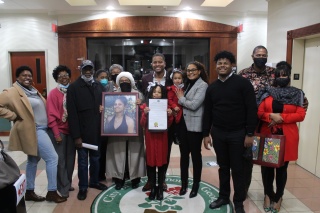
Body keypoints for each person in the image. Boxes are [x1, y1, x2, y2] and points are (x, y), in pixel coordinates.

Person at [238, 45, 309, 195]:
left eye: (264, 55)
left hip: (269, 126)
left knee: (269, 161)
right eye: (258, 54)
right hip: (249, 122)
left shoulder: (274, 73)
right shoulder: (243, 75)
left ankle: (272, 195)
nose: (261, 57)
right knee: (246, 157)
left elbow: (297, 101)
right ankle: (243, 191)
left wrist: (283, 115)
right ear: (252, 56)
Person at [0, 66, 66, 203]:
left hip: (43, 128)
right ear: (17, 77)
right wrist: (13, 116)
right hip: (35, 130)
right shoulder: (12, 92)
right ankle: (52, 192)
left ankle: (29, 191)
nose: (27, 77)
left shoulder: (32, 90)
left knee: (32, 160)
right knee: (53, 158)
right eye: (23, 75)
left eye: (29, 75)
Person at [203, 51, 257, 213]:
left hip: (238, 134)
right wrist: (206, 134)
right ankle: (223, 196)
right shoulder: (212, 87)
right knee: (223, 167)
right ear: (216, 66)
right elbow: (208, 112)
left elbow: (251, 109)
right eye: (219, 63)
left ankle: (238, 201)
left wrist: (249, 133)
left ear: (232, 65)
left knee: (238, 168)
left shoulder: (243, 84)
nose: (222, 65)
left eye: (226, 63)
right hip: (219, 133)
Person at [256, 61, 306, 213]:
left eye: (284, 75)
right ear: (274, 76)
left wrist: (281, 118)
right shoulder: (266, 92)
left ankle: (278, 197)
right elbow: (259, 112)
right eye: (279, 75)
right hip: (269, 135)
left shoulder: (298, 94)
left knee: (282, 169)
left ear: (289, 76)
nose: (282, 77)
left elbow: (301, 114)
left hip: (286, 137)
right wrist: (270, 115)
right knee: (267, 168)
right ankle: (267, 194)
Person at [67, 60, 107, 201]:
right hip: (82, 134)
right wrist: (76, 136)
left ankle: (94, 181)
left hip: (96, 132)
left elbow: (105, 106)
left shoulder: (98, 86)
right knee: (83, 162)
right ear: (81, 70)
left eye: (90, 69)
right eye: (85, 69)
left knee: (96, 159)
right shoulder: (73, 88)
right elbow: (72, 114)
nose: (88, 72)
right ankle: (83, 186)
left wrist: (103, 109)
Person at [105, 71, 146, 190]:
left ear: (131, 81)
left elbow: (144, 111)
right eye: (121, 81)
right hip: (116, 133)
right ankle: (119, 179)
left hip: (135, 130)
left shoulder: (138, 94)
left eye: (126, 80)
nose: (124, 82)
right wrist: (102, 108)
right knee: (118, 155)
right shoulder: (112, 95)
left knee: (134, 154)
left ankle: (135, 179)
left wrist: (141, 104)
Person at [175, 61, 208, 198]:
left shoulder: (203, 85)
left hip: (195, 127)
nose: (190, 72)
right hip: (183, 125)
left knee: (195, 157)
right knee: (183, 157)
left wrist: (181, 99)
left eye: (193, 70)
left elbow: (194, 105)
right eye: (188, 70)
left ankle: (195, 185)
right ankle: (184, 184)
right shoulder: (187, 84)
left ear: (199, 71)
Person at [141, 53, 173, 192]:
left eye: (160, 62)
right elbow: (144, 98)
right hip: (151, 122)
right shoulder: (145, 78)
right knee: (150, 153)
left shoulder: (171, 78)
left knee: (164, 152)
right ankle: (150, 181)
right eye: (155, 62)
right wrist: (142, 106)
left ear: (165, 63)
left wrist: (171, 112)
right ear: (152, 64)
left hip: (166, 122)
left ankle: (162, 180)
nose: (157, 64)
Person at [46, 65, 76, 198]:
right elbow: (51, 115)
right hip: (59, 131)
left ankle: (67, 183)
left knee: (70, 160)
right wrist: (56, 134)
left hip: (72, 131)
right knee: (61, 160)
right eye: (60, 76)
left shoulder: (73, 91)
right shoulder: (53, 93)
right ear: (56, 79)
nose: (64, 78)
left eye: (66, 75)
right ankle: (62, 187)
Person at [167, 69, 184, 145]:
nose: (177, 80)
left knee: (180, 123)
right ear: (172, 79)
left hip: (182, 108)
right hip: (175, 109)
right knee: (175, 122)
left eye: (179, 78)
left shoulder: (183, 88)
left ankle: (179, 136)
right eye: (175, 78)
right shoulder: (171, 89)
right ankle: (175, 136)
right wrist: (174, 106)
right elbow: (169, 99)